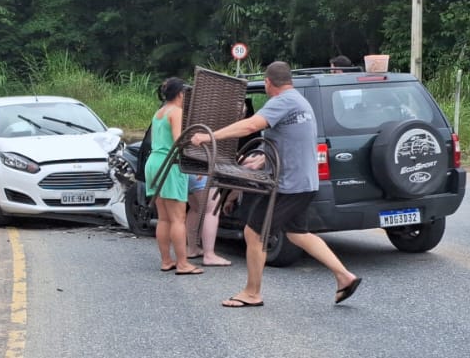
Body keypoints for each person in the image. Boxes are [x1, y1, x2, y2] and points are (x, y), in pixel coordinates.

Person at [190, 60, 360, 307]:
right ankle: (345, 277)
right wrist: (262, 158)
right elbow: (291, 139)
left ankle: (252, 293)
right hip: (305, 182)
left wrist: (209, 136)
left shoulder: (281, 102)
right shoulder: (301, 101)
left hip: (289, 184)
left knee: (254, 231)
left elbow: (250, 125)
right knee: (298, 234)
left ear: (269, 83)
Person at [143, 77, 201, 275]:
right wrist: (196, 145)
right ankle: (183, 263)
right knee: (178, 218)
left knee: (164, 218)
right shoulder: (176, 112)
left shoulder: (159, 112)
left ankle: (166, 260)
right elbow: (179, 141)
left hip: (154, 163)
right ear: (180, 94)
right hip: (170, 164)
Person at [184, 174, 232, 266]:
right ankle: (209, 255)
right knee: (211, 209)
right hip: (200, 172)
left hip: (186, 171)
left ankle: (192, 249)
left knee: (195, 209)